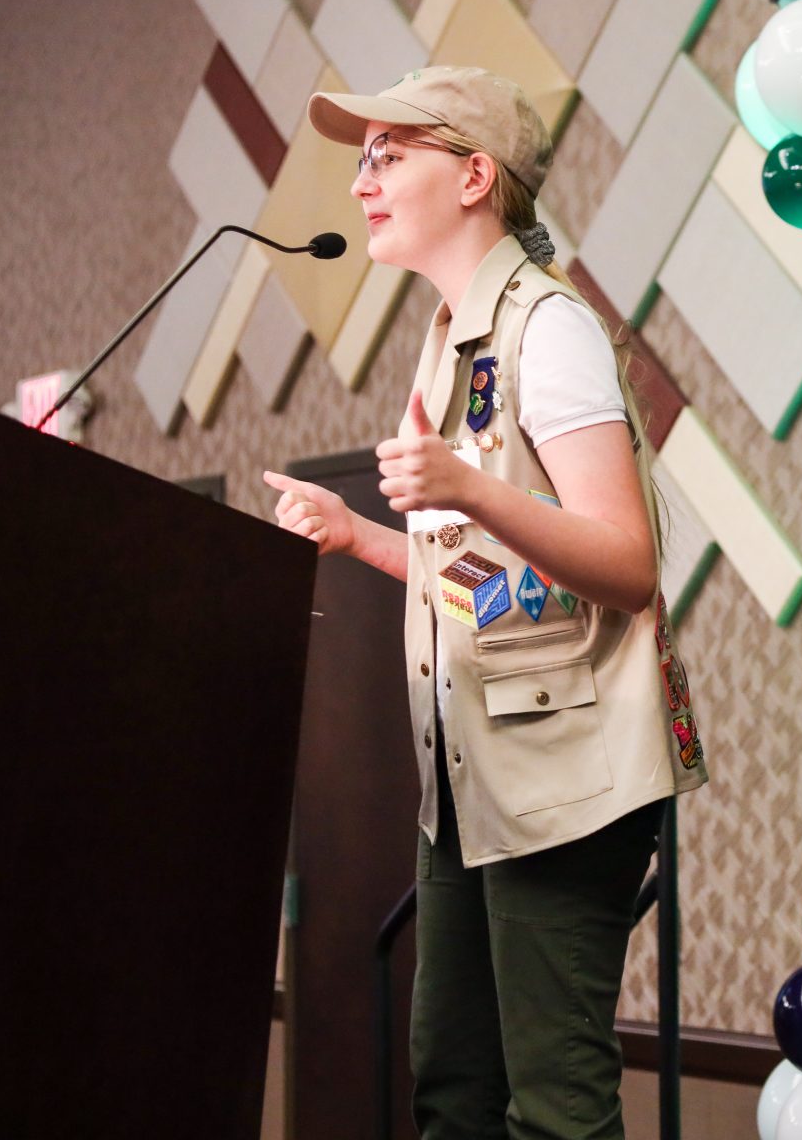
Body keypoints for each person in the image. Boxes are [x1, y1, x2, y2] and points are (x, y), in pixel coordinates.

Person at [262, 66, 708, 1140]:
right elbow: (497, 580)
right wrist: (358, 531)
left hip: (566, 770)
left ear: (474, 175)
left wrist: (467, 486)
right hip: (472, 770)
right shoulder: (451, 331)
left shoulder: (546, 326)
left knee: (553, 1106)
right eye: (360, 159)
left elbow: (625, 560)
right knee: (452, 1090)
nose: (362, 181)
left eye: (388, 154)